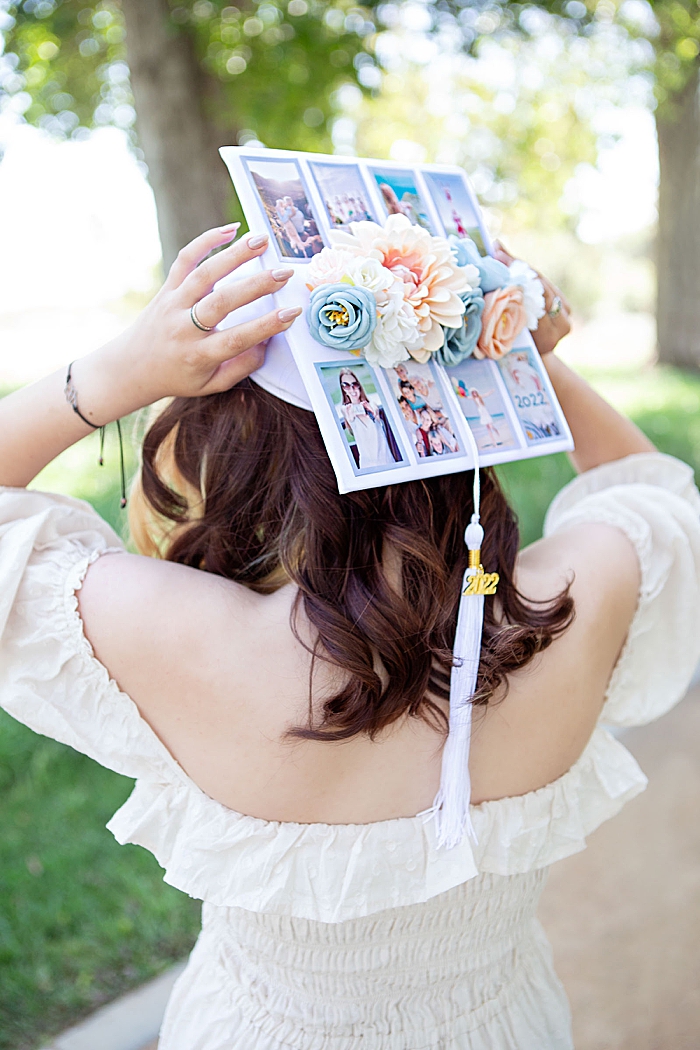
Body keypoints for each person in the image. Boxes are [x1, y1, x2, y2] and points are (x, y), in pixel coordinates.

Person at [1, 225, 699, 1050]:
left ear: (237, 452)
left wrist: (114, 373)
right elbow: (650, 491)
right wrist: (525, 352)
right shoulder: (558, 607)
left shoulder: (183, 638)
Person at [338, 368, 395, 470]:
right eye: (346, 385)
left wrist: (372, 411)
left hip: (386, 459)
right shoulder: (346, 409)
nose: (351, 389)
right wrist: (366, 410)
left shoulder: (372, 404)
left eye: (354, 385)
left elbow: (374, 413)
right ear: (342, 389)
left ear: (359, 386)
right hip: (368, 465)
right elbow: (353, 413)